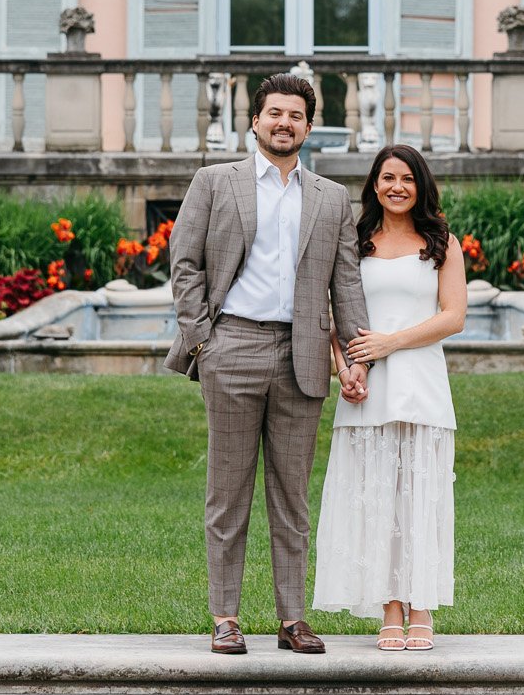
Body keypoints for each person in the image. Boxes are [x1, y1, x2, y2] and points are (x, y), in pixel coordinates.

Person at [163, 72, 371, 656]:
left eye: (296, 115)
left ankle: (291, 619)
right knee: (227, 493)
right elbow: (185, 264)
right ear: (255, 121)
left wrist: (357, 357)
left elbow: (346, 282)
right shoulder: (213, 182)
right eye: (274, 113)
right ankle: (225, 616)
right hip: (232, 349)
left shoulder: (331, 198)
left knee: (292, 497)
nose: (284, 123)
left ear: (309, 125)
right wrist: (203, 339)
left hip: (302, 356)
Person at [311, 142, 464, 651]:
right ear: (373, 184)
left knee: (419, 496)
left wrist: (390, 342)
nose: (396, 187)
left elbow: (452, 316)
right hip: (368, 388)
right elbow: (336, 315)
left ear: (420, 185)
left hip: (421, 384)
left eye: (407, 178)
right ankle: (390, 609)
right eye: (387, 177)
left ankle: (421, 605)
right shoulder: (355, 241)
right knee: (377, 497)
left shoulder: (441, 242)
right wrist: (344, 368)